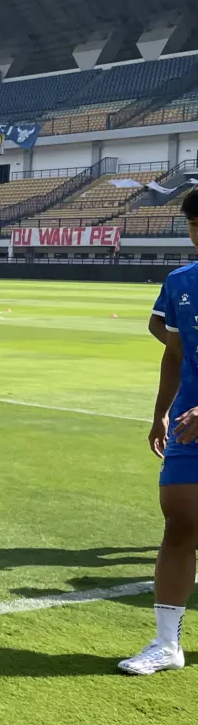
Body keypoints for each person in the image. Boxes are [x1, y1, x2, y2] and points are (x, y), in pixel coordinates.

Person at [122, 189, 198, 675]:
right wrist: (161, 412)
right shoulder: (180, 282)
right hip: (188, 424)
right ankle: (167, 644)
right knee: (180, 522)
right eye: (194, 224)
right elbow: (174, 353)